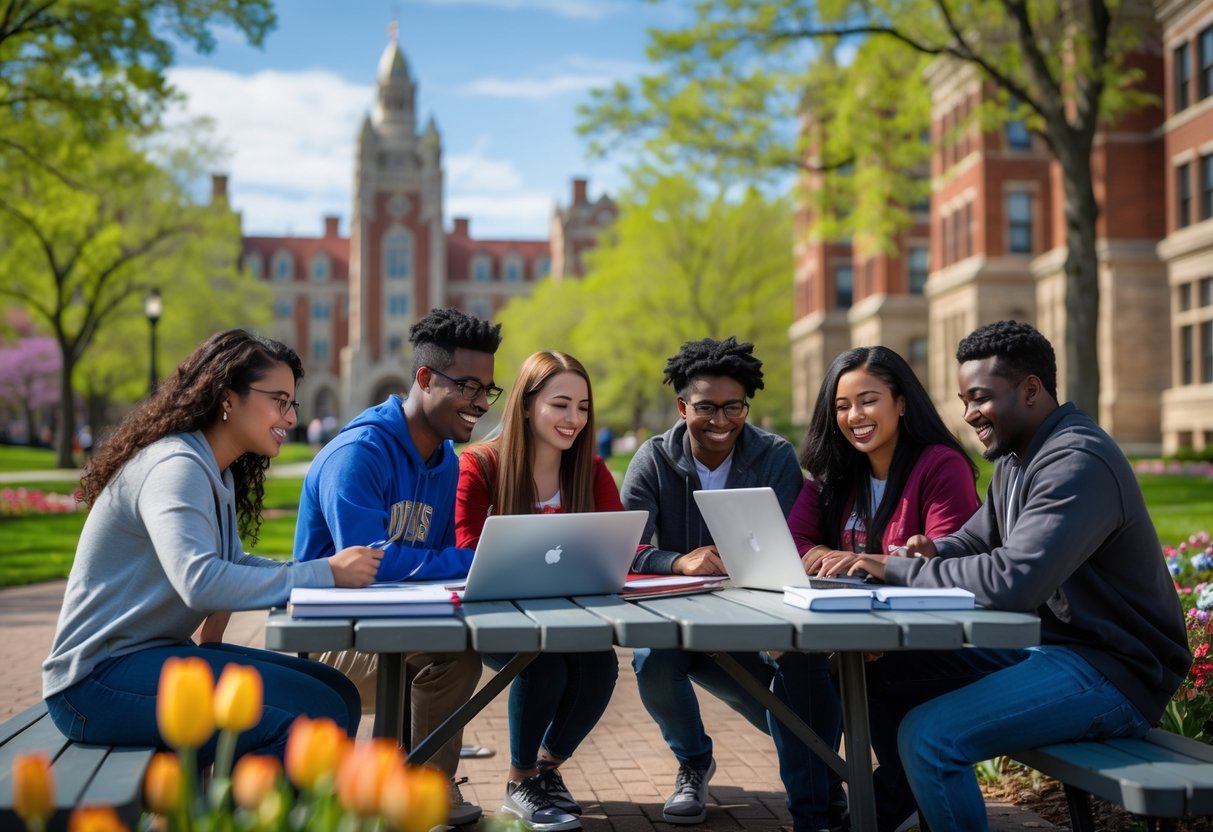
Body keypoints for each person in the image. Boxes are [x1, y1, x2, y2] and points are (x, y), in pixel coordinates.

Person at [845, 321, 1191, 832]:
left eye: (980, 398)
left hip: (1115, 672)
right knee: (880, 668)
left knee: (931, 737)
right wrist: (933, 548)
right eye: (964, 400)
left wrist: (899, 568)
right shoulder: (1016, 458)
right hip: (1049, 650)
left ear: (1031, 389)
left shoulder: (1077, 460)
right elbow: (974, 540)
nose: (969, 414)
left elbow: (1014, 580)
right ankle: (879, 813)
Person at [42, 330, 381, 763]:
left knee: (338, 692)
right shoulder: (175, 467)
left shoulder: (215, 471)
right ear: (227, 398)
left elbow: (231, 562)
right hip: (93, 681)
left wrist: (324, 573)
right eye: (279, 401)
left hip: (150, 655)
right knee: (316, 715)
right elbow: (200, 582)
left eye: (292, 404)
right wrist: (324, 573)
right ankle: (241, 801)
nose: (289, 418)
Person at [294, 307, 503, 825]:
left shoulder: (446, 460)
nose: (481, 402)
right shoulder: (359, 454)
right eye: (468, 386)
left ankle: (420, 787)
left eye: (487, 390)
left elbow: (435, 568)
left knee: (457, 650)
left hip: (397, 624)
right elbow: (368, 566)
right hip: (332, 641)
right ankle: (410, 792)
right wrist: (475, 560)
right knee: (450, 654)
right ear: (425, 378)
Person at [621, 336, 835, 832]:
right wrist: (678, 562)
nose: (720, 420)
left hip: (755, 616)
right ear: (683, 407)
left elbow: (791, 543)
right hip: (680, 618)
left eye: (733, 406)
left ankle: (822, 790)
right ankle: (694, 762)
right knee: (653, 659)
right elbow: (626, 548)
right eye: (706, 407)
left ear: (745, 406)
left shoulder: (775, 456)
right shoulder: (653, 459)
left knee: (799, 683)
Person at [457, 351, 621, 832]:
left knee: (600, 664)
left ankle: (544, 771)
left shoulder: (589, 469)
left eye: (583, 407)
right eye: (560, 405)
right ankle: (519, 781)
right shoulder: (479, 465)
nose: (574, 419)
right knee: (542, 662)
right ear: (527, 405)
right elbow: (466, 553)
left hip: (569, 612)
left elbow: (619, 544)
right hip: (493, 612)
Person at [791, 345, 979, 573]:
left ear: (901, 403)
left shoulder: (943, 466)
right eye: (842, 407)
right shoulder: (832, 469)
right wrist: (824, 556)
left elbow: (948, 559)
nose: (854, 416)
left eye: (868, 401)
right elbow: (792, 541)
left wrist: (863, 562)